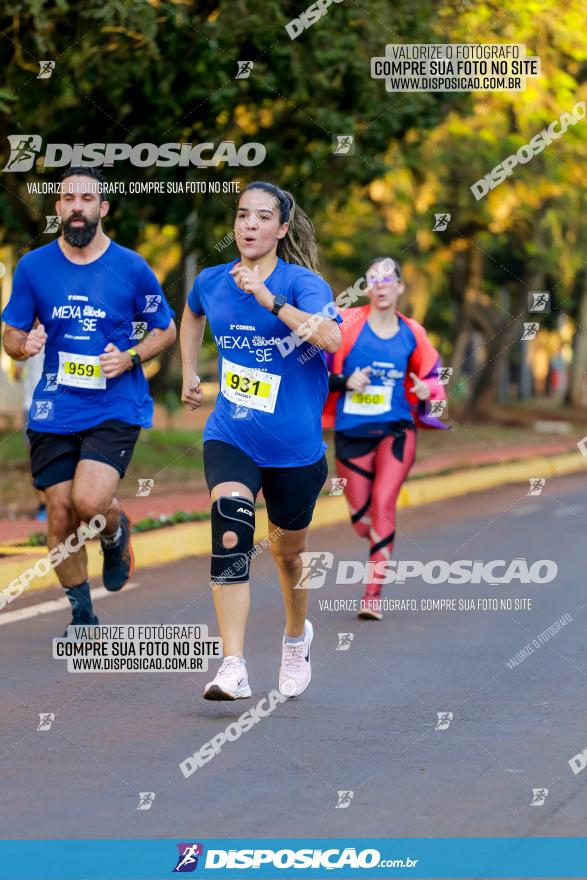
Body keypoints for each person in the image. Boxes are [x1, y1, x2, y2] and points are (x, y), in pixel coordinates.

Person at [180, 180, 342, 700]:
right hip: (232, 434)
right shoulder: (212, 280)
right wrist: (188, 370)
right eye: (242, 215)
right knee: (229, 534)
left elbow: (331, 337)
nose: (249, 225)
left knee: (289, 556)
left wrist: (269, 300)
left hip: (295, 450)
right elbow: (192, 312)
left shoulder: (302, 283)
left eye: (262, 217)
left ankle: (297, 638)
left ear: (282, 228)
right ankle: (233, 664)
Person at [2, 166, 176, 632]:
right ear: (58, 208)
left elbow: (167, 329)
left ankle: (116, 536)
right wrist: (24, 346)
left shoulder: (132, 267)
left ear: (103, 209)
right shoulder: (34, 267)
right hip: (55, 406)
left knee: (88, 500)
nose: (76, 206)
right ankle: (82, 612)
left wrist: (132, 357)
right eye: (68, 199)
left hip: (113, 404)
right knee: (59, 513)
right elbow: (11, 334)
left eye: (87, 199)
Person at [322, 257, 447, 620]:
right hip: (350, 432)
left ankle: (371, 596)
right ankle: (372, 536)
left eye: (387, 279)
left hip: (396, 431)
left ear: (400, 287)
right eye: (372, 279)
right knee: (362, 522)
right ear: (366, 287)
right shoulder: (346, 325)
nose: (380, 285)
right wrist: (346, 381)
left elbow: (436, 378)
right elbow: (315, 371)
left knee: (384, 505)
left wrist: (427, 390)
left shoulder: (413, 332)